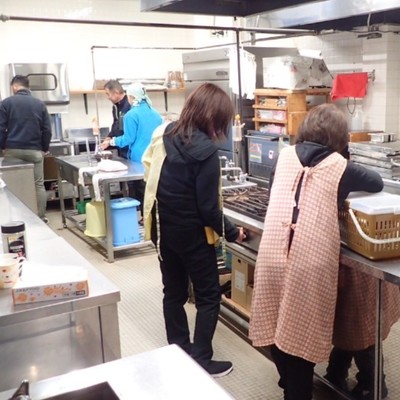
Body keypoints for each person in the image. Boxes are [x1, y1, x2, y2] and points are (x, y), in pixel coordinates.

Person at [249, 103, 388, 400]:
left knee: (275, 324)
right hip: (309, 263)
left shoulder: (285, 156)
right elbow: (376, 183)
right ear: (339, 137)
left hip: (273, 253)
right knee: (301, 338)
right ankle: (297, 391)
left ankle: (290, 383)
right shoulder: (339, 166)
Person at [142, 83, 246, 378]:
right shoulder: (207, 153)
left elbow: (149, 173)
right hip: (194, 236)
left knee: (173, 292)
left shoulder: (164, 135)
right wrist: (233, 232)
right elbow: (208, 209)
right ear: (213, 117)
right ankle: (201, 360)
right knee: (209, 295)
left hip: (164, 230)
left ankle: (178, 350)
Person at [101, 82, 162, 213]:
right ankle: (151, 217)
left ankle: (141, 216)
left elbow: (128, 139)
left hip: (138, 158)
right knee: (151, 190)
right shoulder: (156, 114)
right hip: (154, 156)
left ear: (132, 97)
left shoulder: (131, 115)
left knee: (139, 190)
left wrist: (112, 141)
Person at [0, 75, 51, 223]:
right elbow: (47, 130)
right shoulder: (40, 104)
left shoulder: (6, 103)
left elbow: (1, 128)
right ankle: (41, 218)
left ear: (15, 87)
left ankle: (15, 218)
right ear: (28, 87)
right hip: (34, 151)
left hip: (12, 150)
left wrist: (2, 147)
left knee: (12, 185)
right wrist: (44, 148)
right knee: (38, 184)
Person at [103, 79, 131, 159]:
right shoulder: (115, 107)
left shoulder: (129, 105)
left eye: (108, 94)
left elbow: (124, 129)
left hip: (129, 148)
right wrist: (109, 137)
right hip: (121, 147)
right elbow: (116, 123)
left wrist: (111, 141)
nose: (108, 98)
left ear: (116, 92)